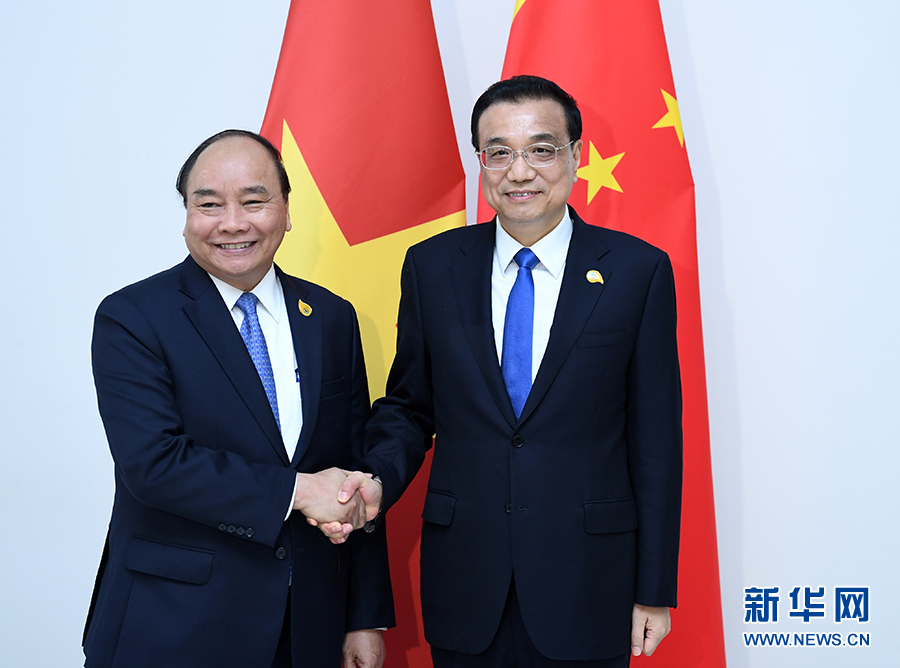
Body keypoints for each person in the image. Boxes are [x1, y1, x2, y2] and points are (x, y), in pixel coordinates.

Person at [334, 75, 683, 667]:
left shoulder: (636, 271)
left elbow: (656, 444)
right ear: (481, 161)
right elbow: (410, 407)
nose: (519, 172)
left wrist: (654, 589)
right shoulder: (432, 267)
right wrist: (376, 479)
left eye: (541, 150)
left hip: (589, 582)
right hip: (467, 580)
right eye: (499, 153)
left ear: (575, 155)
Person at [83, 130, 393, 668]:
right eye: (209, 205)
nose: (232, 223)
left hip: (308, 626)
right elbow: (153, 465)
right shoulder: (133, 318)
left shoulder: (330, 317)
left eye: (253, 201)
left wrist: (363, 616)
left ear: (286, 211)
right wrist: (298, 492)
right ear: (186, 214)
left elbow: (352, 466)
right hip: (175, 625)